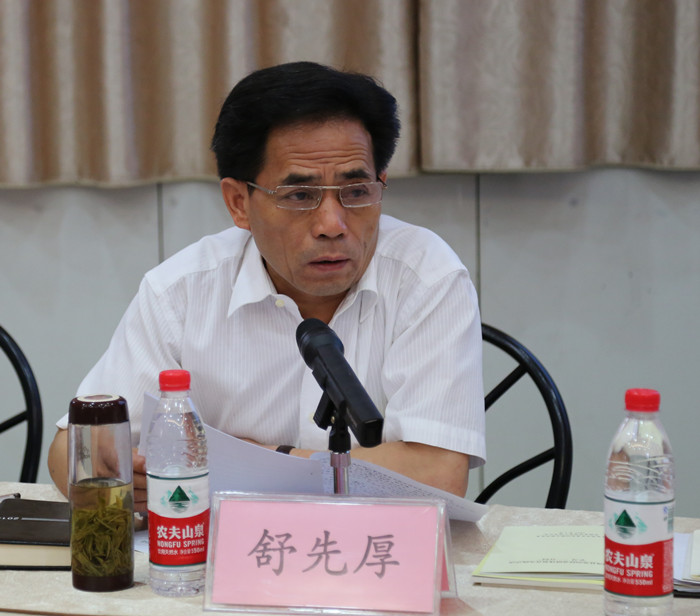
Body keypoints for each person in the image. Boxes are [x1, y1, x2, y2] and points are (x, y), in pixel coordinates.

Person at [48, 61, 486, 511]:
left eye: (356, 192)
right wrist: (120, 477)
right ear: (239, 203)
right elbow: (71, 454)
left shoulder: (427, 277)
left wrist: (246, 463)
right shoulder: (182, 291)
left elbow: (437, 475)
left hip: (377, 547)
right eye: (300, 196)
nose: (332, 224)